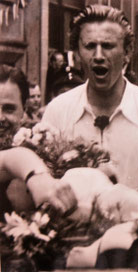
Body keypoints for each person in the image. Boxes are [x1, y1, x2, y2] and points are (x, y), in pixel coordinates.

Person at [42, 5, 138, 200]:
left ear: (127, 52)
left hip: (133, 226)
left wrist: (111, 209)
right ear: (78, 54)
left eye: (107, 46)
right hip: (68, 226)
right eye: (89, 46)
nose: (98, 56)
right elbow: (44, 181)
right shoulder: (58, 110)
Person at [0, 64, 76, 217]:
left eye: (9, 109)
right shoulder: (28, 156)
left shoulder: (39, 144)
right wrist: (37, 176)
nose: (0, 118)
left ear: (24, 109)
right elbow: (9, 159)